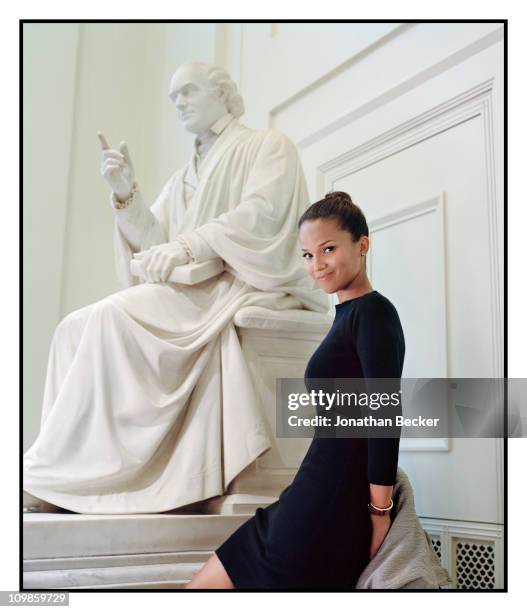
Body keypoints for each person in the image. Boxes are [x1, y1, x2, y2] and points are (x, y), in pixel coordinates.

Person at [22, 62, 327, 514]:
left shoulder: (266, 146)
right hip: (191, 290)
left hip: (233, 285)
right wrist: (126, 195)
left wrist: (188, 246)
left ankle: (90, 477)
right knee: (72, 326)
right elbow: (155, 240)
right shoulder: (183, 176)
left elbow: (262, 216)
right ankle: (65, 472)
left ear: (222, 93)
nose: (178, 103)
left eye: (187, 92)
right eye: (173, 97)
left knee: (110, 317)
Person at [184, 191, 405, 589]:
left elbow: (384, 417)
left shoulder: (374, 313)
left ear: (363, 245)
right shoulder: (344, 316)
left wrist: (379, 513)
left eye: (328, 249)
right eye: (307, 255)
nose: (316, 264)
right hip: (309, 493)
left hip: (331, 506)